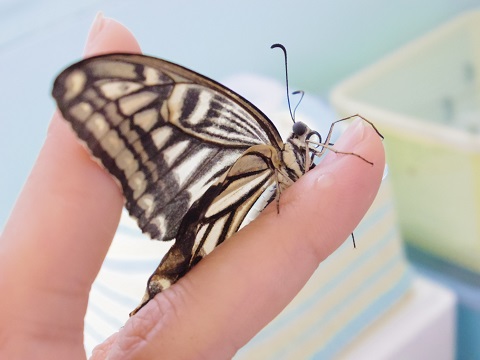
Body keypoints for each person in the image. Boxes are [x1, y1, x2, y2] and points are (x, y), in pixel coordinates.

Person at [0, 14, 385, 360]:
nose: (303, 139)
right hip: (195, 245)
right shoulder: (264, 151)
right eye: (300, 137)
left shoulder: (274, 157)